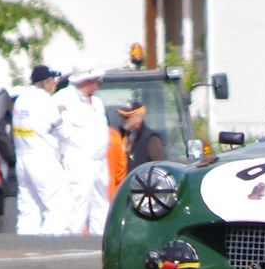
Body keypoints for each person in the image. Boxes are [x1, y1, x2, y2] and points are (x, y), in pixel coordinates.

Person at [12, 64, 72, 235]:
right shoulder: (45, 101)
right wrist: (63, 113)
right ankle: (50, 244)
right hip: (42, 158)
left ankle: (25, 246)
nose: (54, 84)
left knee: (28, 207)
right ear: (46, 82)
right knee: (59, 204)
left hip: (22, 158)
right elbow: (65, 133)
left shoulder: (21, 100)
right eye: (53, 81)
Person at [53, 67, 111, 235]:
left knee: (101, 201)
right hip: (78, 158)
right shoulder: (63, 98)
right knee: (77, 199)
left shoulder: (97, 102)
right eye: (96, 79)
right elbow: (59, 128)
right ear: (85, 80)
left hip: (100, 159)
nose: (98, 84)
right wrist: (76, 145)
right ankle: (72, 237)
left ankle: (99, 237)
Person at [117, 99, 165, 171]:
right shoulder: (119, 136)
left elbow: (159, 169)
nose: (123, 120)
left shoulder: (151, 139)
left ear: (139, 117)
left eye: (127, 117)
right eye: (122, 116)